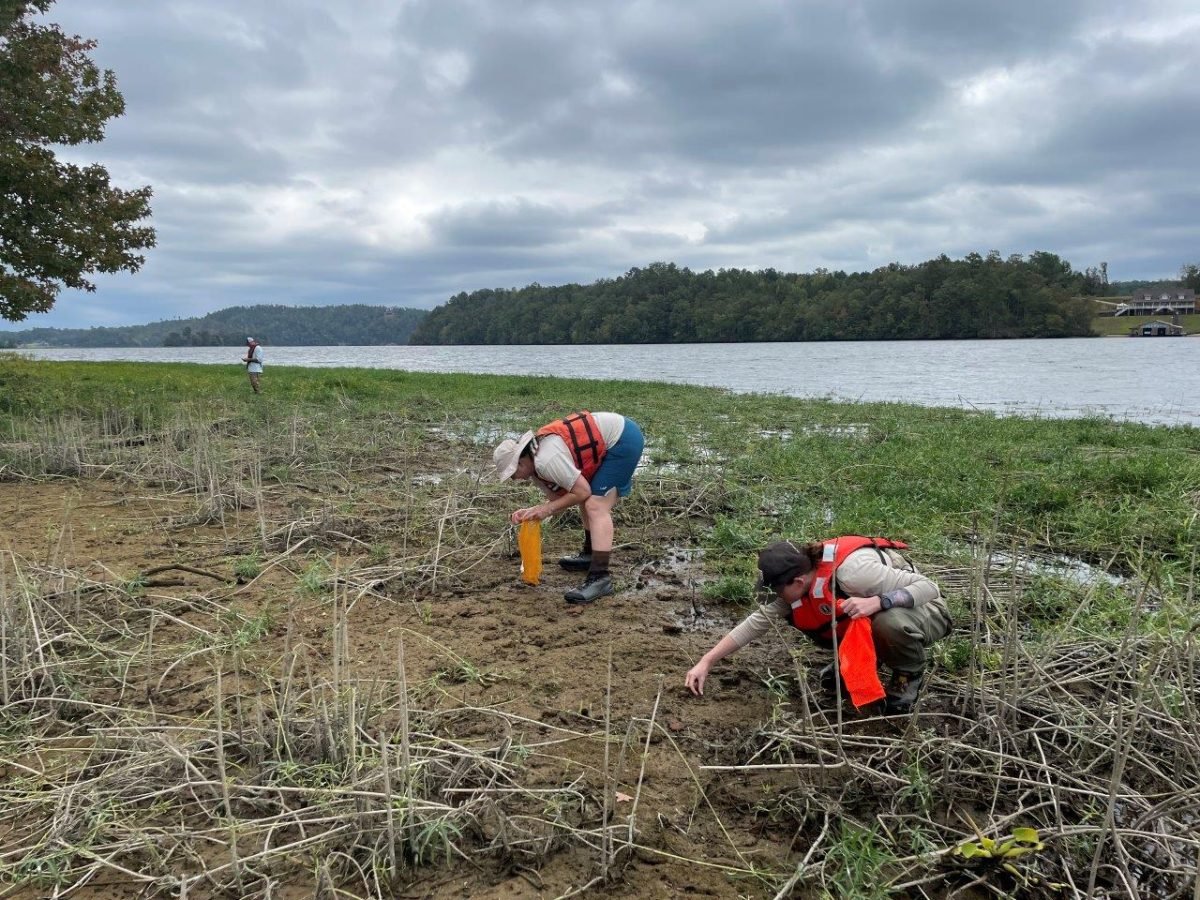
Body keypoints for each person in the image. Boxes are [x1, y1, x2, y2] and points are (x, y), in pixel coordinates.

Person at [685, 536, 952, 714]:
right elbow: (754, 625)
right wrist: (706, 661)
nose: (775, 598)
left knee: (887, 621)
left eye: (776, 591)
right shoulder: (797, 591)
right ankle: (860, 660)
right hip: (878, 614)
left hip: (925, 610)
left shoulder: (853, 573)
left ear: (797, 582)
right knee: (816, 622)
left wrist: (879, 602)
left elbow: (930, 588)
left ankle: (907, 675)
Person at [493, 411, 644, 605]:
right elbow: (560, 499)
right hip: (612, 438)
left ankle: (600, 577)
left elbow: (581, 492)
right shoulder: (535, 469)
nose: (516, 480)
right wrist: (533, 513)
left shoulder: (546, 460)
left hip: (623, 439)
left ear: (521, 462)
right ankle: (590, 554)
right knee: (585, 497)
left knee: (595, 505)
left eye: (514, 475)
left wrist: (545, 509)